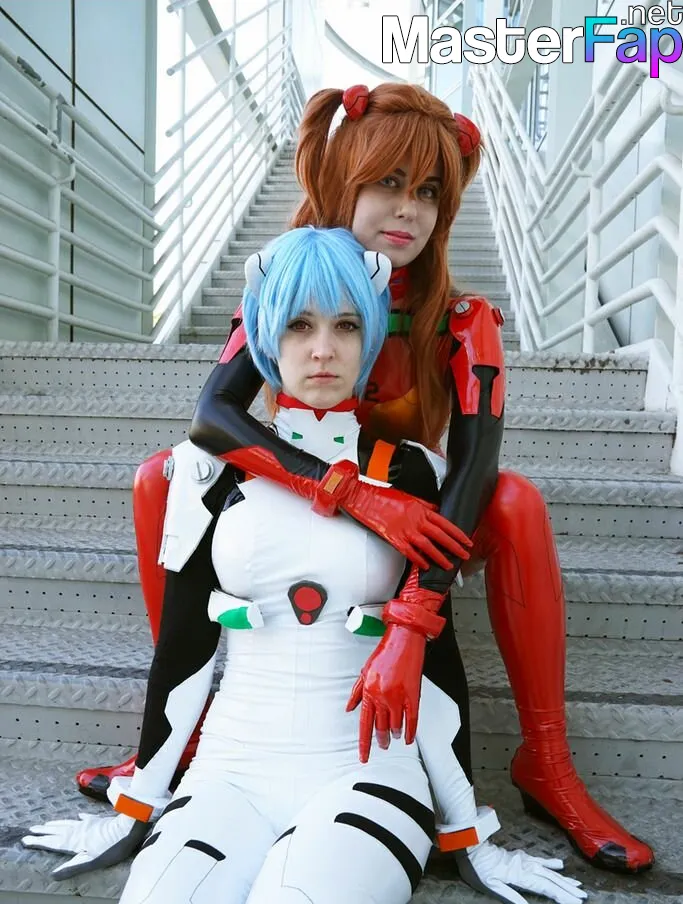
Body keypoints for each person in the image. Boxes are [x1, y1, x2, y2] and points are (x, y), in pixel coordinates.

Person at [75, 83, 654, 874]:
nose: (407, 209)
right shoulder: (291, 280)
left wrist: (413, 615)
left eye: (428, 192)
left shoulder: (461, 319)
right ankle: (190, 722)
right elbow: (213, 415)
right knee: (160, 477)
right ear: (340, 180)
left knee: (515, 502)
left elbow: (473, 470)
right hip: (305, 498)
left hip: (416, 510)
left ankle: (546, 760)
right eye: (387, 182)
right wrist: (349, 493)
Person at [23, 229, 586, 904]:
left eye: (346, 325)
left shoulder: (414, 474)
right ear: (264, 334)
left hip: (369, 775)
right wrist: (135, 806)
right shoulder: (203, 473)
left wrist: (467, 833)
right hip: (225, 773)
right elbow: (184, 652)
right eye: (298, 325)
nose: (323, 349)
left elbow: (435, 667)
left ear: (370, 335)